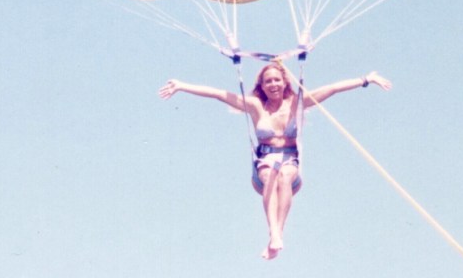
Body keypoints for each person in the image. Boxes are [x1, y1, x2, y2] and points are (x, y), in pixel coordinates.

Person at [158, 62, 392, 259]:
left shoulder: (297, 103)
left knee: (285, 175)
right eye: (268, 81)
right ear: (261, 86)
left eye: (277, 80)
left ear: (285, 82)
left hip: (291, 162)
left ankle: (278, 232)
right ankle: (274, 233)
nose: (273, 85)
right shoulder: (255, 106)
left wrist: (366, 79)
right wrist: (182, 86)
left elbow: (331, 89)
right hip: (264, 163)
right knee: (271, 173)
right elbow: (219, 94)